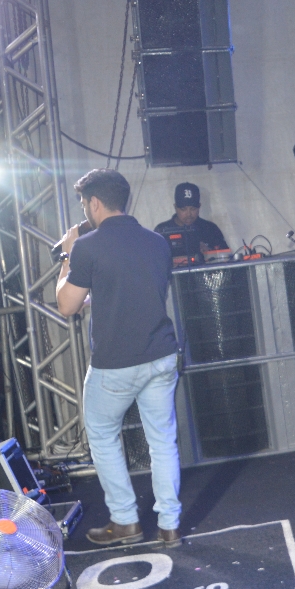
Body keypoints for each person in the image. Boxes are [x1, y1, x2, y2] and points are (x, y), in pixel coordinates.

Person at [57, 169, 184, 548]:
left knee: (102, 434)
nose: (85, 209)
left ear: (94, 202)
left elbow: (66, 305)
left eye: (84, 203)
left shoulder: (86, 246)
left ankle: (126, 521)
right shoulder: (158, 242)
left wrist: (67, 254)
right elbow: (135, 290)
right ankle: (170, 526)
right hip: (161, 354)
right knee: (163, 441)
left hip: (117, 363)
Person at [154, 182, 229, 256]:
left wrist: (210, 253)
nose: (189, 214)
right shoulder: (162, 230)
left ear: (199, 207)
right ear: (175, 207)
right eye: (183, 209)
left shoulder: (210, 229)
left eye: (193, 209)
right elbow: (154, 258)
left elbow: (226, 257)